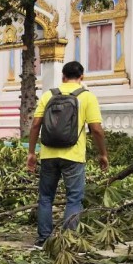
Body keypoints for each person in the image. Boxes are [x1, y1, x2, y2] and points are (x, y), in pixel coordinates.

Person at [27, 61, 108, 249]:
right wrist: (102, 154)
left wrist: (31, 152)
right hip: (74, 156)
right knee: (74, 198)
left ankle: (43, 240)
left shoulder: (48, 95)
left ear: (63, 76)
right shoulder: (87, 97)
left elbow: (35, 125)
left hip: (48, 154)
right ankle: (68, 242)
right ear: (82, 77)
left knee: (46, 197)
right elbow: (96, 130)